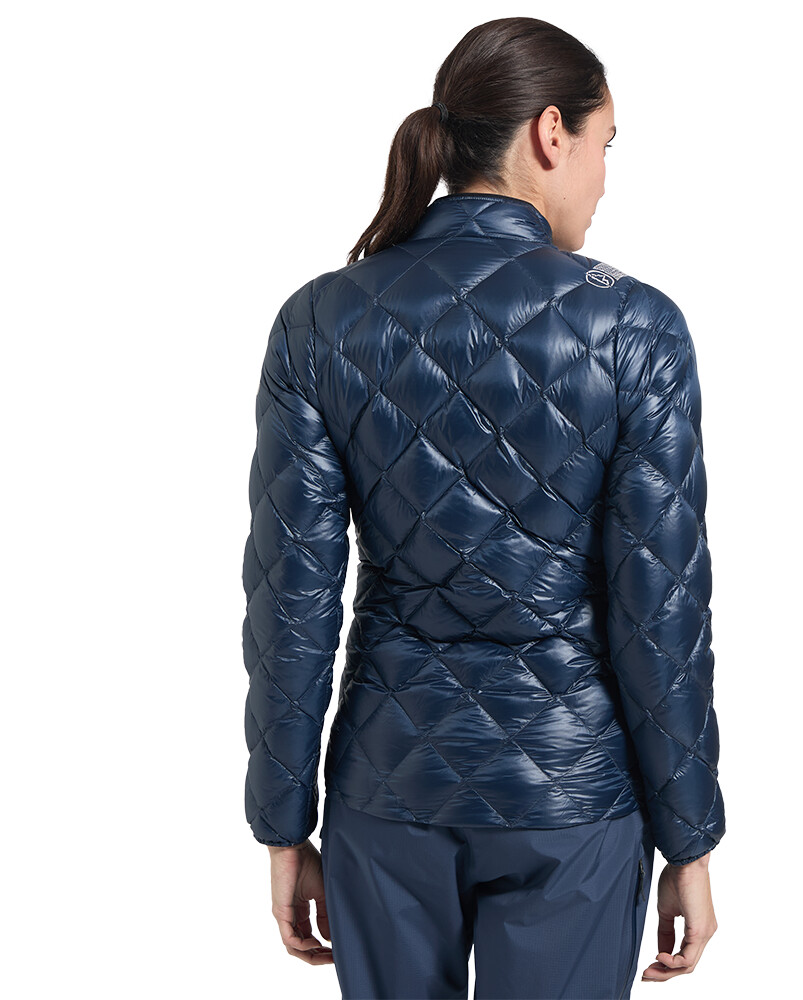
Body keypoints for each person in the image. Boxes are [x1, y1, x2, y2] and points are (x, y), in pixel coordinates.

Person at [241, 16, 726, 999]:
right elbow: (661, 615)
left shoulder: (320, 320)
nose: (603, 178)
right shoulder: (634, 326)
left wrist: (283, 827)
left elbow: (291, 604)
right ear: (551, 133)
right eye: (605, 144)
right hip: (573, 802)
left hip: (385, 791)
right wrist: (689, 840)